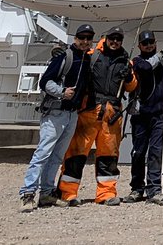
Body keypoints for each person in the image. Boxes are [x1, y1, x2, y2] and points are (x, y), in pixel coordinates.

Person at [59, 27, 139, 205]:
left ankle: (106, 194)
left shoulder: (126, 61)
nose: (115, 42)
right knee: (76, 154)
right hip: (89, 111)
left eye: (118, 39)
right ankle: (67, 193)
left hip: (112, 115)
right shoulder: (92, 55)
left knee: (109, 156)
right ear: (106, 38)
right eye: (112, 38)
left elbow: (132, 87)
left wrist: (128, 77)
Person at [18, 23, 94, 212]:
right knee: (43, 153)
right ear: (75, 38)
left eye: (88, 38)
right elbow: (45, 81)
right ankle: (27, 194)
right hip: (55, 113)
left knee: (57, 156)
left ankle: (47, 193)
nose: (85, 41)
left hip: (72, 114)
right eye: (82, 37)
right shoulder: (65, 57)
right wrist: (61, 92)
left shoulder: (87, 59)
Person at [125, 31, 163, 206]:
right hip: (140, 115)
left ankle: (154, 189)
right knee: (138, 152)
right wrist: (160, 55)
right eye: (145, 43)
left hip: (159, 114)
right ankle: (137, 188)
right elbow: (145, 68)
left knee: (156, 152)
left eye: (151, 42)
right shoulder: (136, 61)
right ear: (139, 46)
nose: (149, 45)